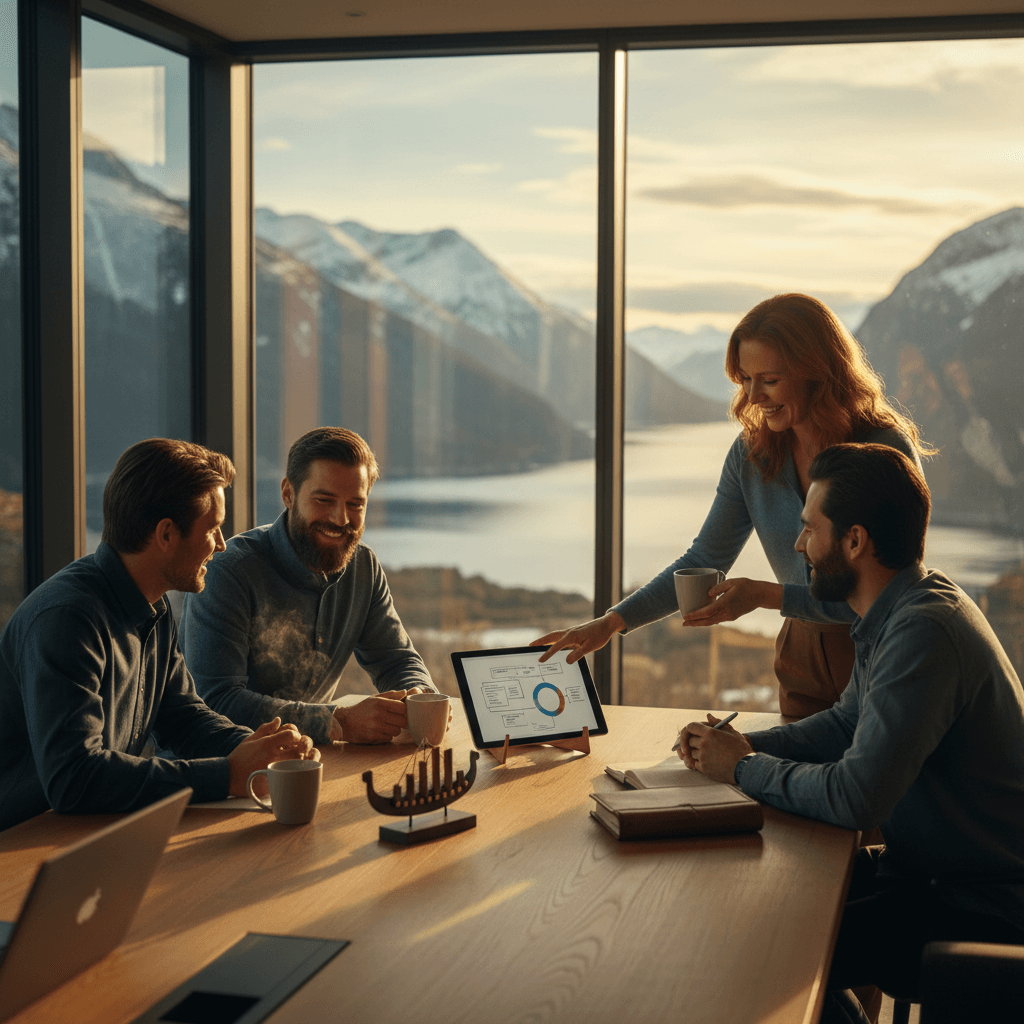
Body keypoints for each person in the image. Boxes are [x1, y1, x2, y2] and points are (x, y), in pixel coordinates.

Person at [677, 443, 1024, 1020]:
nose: (796, 545)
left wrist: (739, 768)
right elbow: (844, 723)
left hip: (975, 903)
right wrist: (739, 747)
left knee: (761, 954)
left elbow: (856, 797)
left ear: (855, 541)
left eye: (810, 528)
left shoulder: (922, 633)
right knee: (760, 912)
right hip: (930, 873)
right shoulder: (901, 607)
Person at [534, 293, 931, 717]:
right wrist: (614, 621)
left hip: (886, 651)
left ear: (817, 371)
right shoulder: (753, 454)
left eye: (770, 380)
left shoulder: (884, 449)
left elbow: (892, 591)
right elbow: (705, 557)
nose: (754, 395)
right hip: (802, 661)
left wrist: (764, 595)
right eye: (745, 379)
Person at [0, 439, 319, 833]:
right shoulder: (67, 620)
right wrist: (227, 774)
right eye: (214, 528)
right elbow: (74, 779)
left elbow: (183, 719)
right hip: (21, 847)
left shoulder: (154, 604)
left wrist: (258, 748)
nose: (221, 545)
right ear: (166, 535)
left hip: (87, 834)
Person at [179, 427, 436, 746]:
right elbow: (216, 701)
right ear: (288, 493)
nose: (341, 519)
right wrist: (335, 722)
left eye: (356, 504)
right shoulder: (229, 572)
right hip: (219, 772)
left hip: (309, 760)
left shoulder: (363, 567)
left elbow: (398, 660)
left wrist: (421, 697)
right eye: (324, 500)